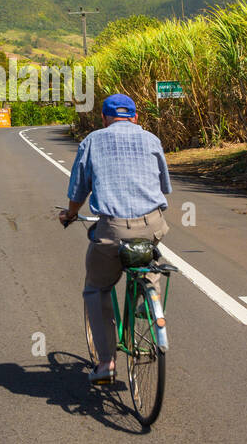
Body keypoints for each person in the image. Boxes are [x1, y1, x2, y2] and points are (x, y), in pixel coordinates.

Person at [58, 93, 171, 385]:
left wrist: (70, 214)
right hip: (151, 224)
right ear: (134, 117)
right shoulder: (151, 140)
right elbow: (163, 185)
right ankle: (149, 297)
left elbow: (78, 189)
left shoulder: (93, 141)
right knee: (147, 257)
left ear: (105, 119)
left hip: (113, 230)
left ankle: (106, 362)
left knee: (96, 288)